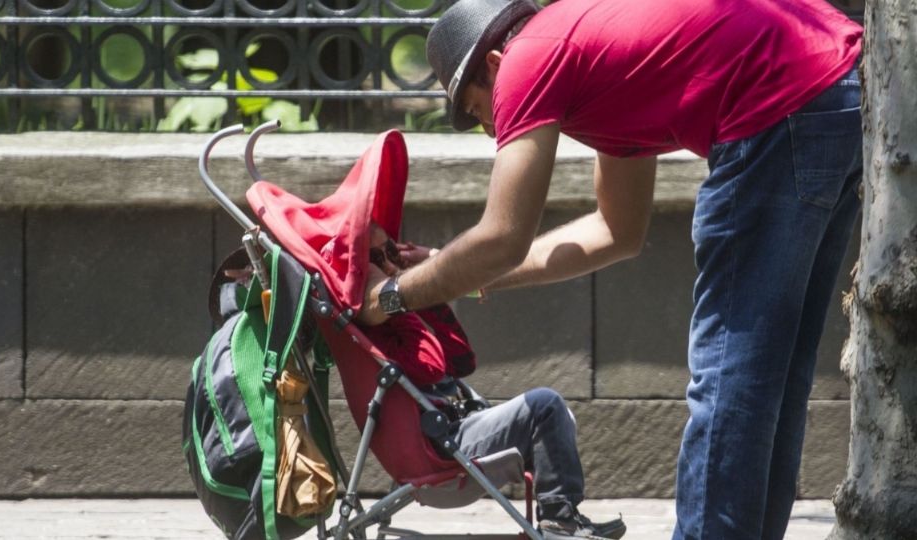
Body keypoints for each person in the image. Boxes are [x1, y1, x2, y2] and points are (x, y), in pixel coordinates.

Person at [357, 1, 863, 539]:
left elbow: (503, 237)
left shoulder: (528, 59)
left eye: (478, 109)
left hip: (777, 105)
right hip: (838, 86)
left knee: (729, 375)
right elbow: (617, 231)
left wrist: (390, 296)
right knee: (770, 376)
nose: (489, 128)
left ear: (495, 65)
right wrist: (449, 271)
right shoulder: (592, 62)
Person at [361, 223, 627, 540]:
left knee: (554, 417)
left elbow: (461, 360)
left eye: (392, 251)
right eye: (377, 259)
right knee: (544, 406)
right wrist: (399, 293)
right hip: (436, 447)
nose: (390, 265)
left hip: (452, 429)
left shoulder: (392, 310)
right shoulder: (372, 322)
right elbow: (431, 367)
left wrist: (424, 282)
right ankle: (560, 522)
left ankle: (563, 517)